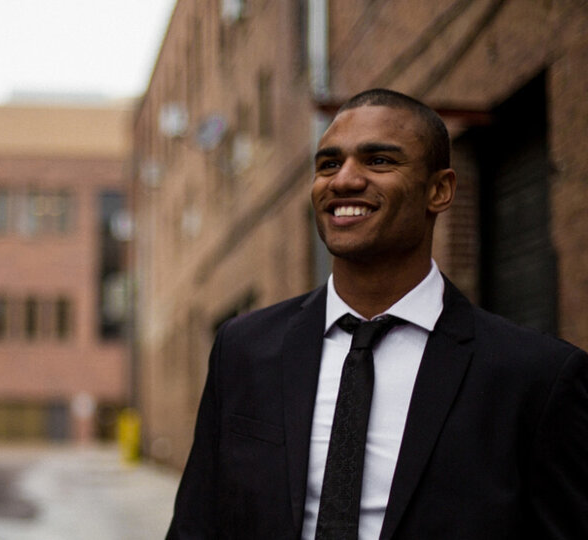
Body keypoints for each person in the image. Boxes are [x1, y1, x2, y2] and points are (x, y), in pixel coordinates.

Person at [166, 88, 588, 539]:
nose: (343, 180)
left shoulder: (537, 377)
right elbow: (197, 524)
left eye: (379, 161)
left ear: (440, 190)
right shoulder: (244, 349)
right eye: (328, 164)